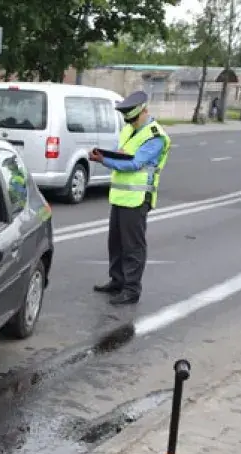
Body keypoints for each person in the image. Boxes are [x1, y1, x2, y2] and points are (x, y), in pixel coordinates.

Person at [88, 91, 171, 306]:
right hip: (120, 196)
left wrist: (105, 160)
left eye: (134, 119)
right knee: (115, 243)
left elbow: (135, 164)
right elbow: (124, 154)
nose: (131, 123)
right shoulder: (128, 129)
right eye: (129, 120)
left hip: (137, 198)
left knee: (133, 246)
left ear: (144, 111)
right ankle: (117, 281)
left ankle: (131, 289)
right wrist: (109, 156)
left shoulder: (155, 136)